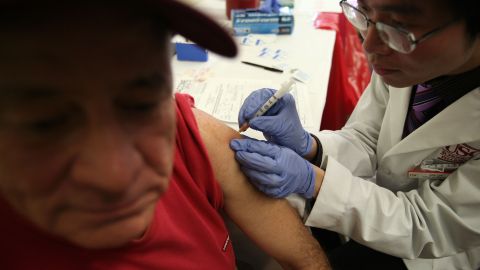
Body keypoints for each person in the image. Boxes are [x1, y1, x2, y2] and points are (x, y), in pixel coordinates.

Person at [0, 1, 331, 269]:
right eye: (45, 125)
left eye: (139, 103)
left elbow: (305, 258)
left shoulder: (183, 128)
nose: (117, 175)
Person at [230, 0, 480, 269]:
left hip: (441, 248)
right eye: (366, 15)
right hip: (384, 208)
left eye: (400, 26)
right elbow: (368, 137)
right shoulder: (405, 61)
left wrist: (315, 182)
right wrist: (309, 145)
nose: (369, 46)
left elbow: (427, 223)